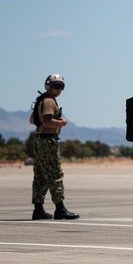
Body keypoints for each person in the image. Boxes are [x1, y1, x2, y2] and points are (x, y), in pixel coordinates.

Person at [30, 74, 79, 220]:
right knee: (55, 174)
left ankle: (38, 209)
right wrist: (60, 123)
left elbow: (32, 120)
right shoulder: (49, 101)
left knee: (40, 176)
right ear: (49, 86)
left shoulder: (41, 99)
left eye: (61, 86)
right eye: (56, 86)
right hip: (47, 141)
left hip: (39, 140)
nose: (58, 89)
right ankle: (60, 208)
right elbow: (46, 121)